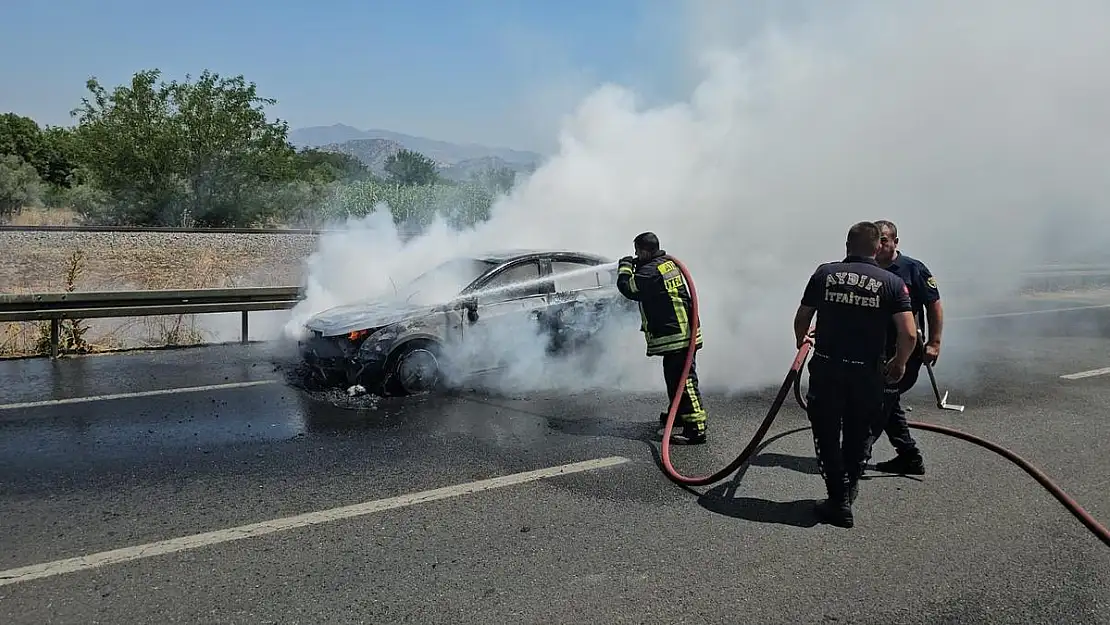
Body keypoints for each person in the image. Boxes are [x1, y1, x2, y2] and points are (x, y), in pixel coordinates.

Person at [793, 221, 917, 528]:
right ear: (876, 248)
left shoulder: (824, 273)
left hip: (827, 369)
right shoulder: (890, 282)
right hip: (867, 375)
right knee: (858, 433)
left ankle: (838, 498)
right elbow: (910, 334)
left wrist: (801, 339)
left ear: (847, 245)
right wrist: (900, 363)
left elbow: (803, 316)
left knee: (825, 433)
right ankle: (847, 491)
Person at [616, 232, 708, 445]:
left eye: (637, 251)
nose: (635, 255)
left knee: (685, 381)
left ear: (646, 251)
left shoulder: (651, 270)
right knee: (674, 379)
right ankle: (678, 412)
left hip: (678, 334)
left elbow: (629, 288)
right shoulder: (664, 264)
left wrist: (625, 267)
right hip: (681, 331)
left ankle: (696, 428)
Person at [871, 219, 944, 476]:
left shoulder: (914, 269)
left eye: (884, 240)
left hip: (905, 351)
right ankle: (909, 456)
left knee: (878, 403)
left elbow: (934, 305)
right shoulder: (866, 268)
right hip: (873, 350)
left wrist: (935, 342)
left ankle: (856, 457)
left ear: (895, 242)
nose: (879, 246)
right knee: (888, 403)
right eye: (875, 240)